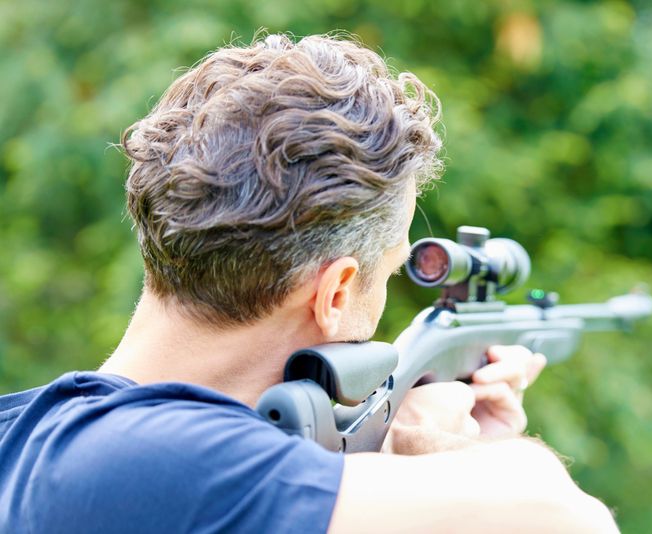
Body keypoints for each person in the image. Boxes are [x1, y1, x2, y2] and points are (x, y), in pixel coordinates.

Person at [0, 34, 618, 533]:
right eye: (391, 271)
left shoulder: (25, 438)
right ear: (337, 292)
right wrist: (447, 452)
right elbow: (575, 521)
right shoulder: (170, 465)